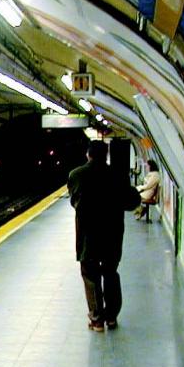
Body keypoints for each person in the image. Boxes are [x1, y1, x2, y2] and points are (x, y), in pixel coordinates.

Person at [67, 140, 140, 332]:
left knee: (90, 275)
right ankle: (112, 317)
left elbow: (74, 201)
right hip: (112, 233)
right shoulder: (117, 175)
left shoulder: (76, 175)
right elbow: (132, 202)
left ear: (88, 155)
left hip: (88, 234)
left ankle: (97, 319)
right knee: (110, 273)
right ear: (106, 155)